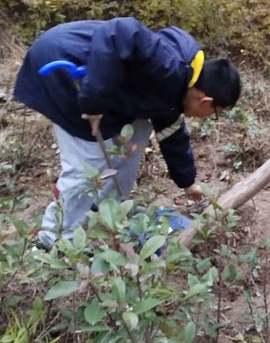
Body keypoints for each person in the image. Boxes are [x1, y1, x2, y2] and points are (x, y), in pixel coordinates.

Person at [13, 18, 242, 249]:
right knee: (86, 168)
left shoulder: (180, 86)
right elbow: (120, 31)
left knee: (139, 128)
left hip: (95, 87)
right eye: (216, 113)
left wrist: (188, 183)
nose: (208, 117)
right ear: (206, 100)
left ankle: (109, 206)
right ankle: (53, 242)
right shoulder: (167, 66)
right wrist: (92, 101)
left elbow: (171, 132)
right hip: (63, 67)